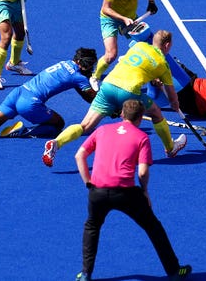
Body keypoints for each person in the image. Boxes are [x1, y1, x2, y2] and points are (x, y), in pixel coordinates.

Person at [74, 99, 192, 281]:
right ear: (140, 118)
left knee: (92, 227)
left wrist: (88, 183)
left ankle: (85, 274)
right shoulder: (141, 137)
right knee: (153, 228)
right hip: (126, 193)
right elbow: (143, 172)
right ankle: (175, 271)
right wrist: (144, 192)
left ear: (122, 114)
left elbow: (80, 155)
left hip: (97, 191)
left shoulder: (102, 130)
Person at [42, 30, 187, 168]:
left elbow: (137, 66)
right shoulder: (163, 64)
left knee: (85, 126)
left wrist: (153, 77)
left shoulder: (139, 46)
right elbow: (171, 95)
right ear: (167, 45)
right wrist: (175, 104)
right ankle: (170, 148)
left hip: (108, 86)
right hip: (128, 93)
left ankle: (56, 143)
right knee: (156, 113)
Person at [88, 0, 158, 91]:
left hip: (130, 17)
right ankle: (95, 77)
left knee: (148, 47)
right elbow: (105, 8)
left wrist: (151, 1)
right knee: (111, 55)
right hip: (110, 19)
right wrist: (123, 18)